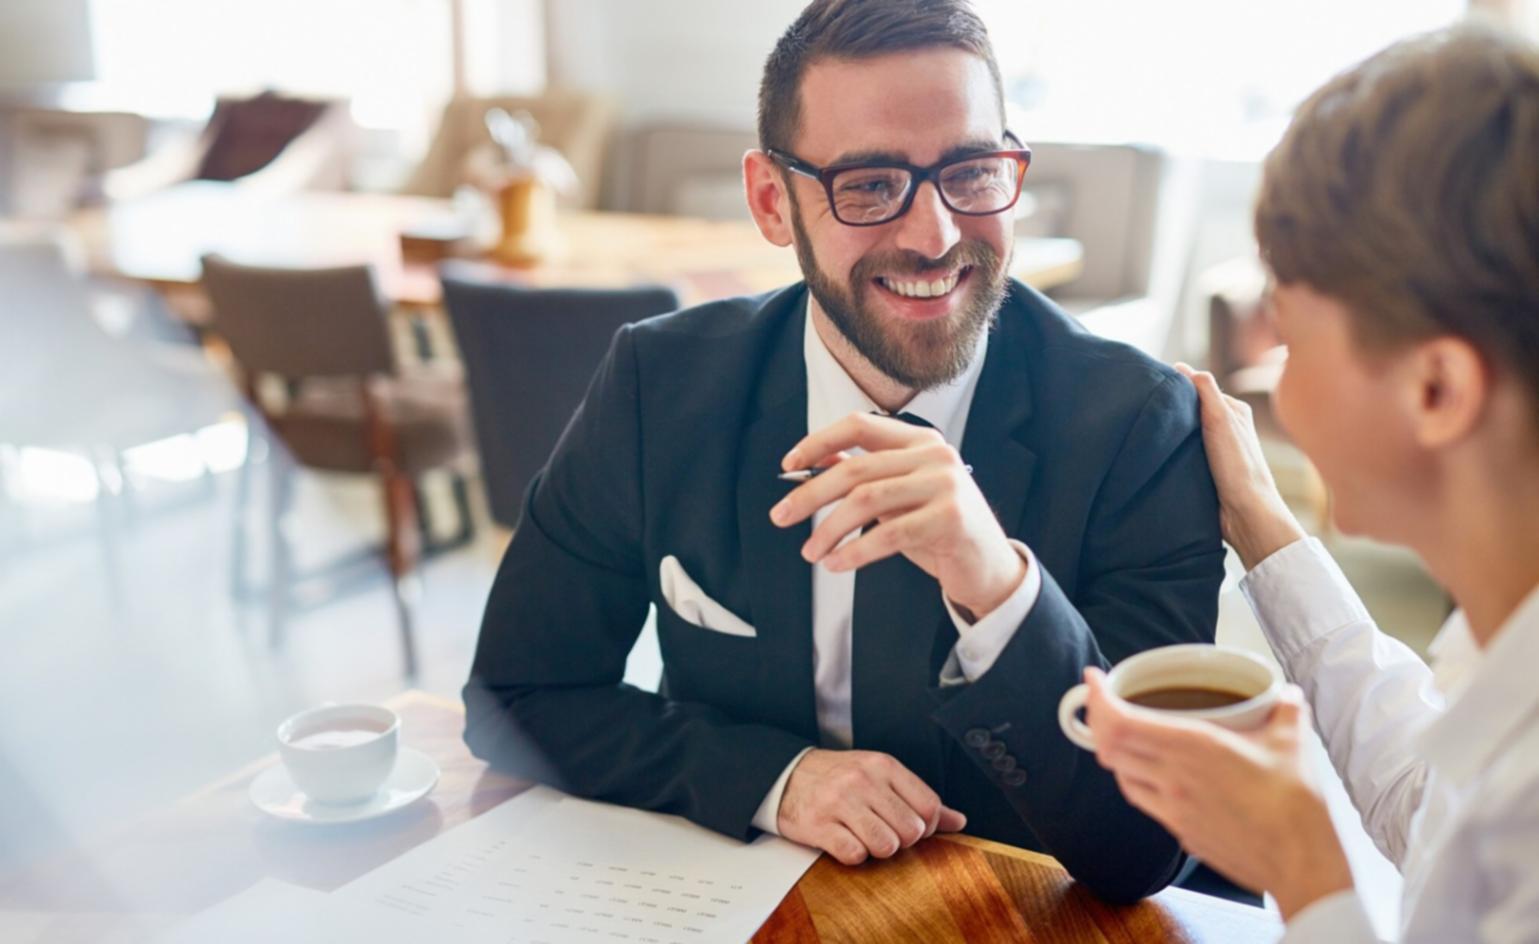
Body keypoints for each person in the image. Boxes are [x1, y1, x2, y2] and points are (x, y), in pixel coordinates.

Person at [464, 0, 1225, 901]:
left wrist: (997, 588)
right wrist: (773, 779)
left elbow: (1145, 850)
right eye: (868, 185)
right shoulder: (656, 385)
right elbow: (518, 693)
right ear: (769, 201)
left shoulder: (1143, 427)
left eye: (973, 172)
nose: (934, 236)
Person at [1082, 22, 1539, 940]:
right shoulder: (1498, 637)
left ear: (1435, 388)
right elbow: (1436, 810)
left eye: (1287, 334)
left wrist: (1305, 873)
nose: (1274, 385)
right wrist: (1261, 522)